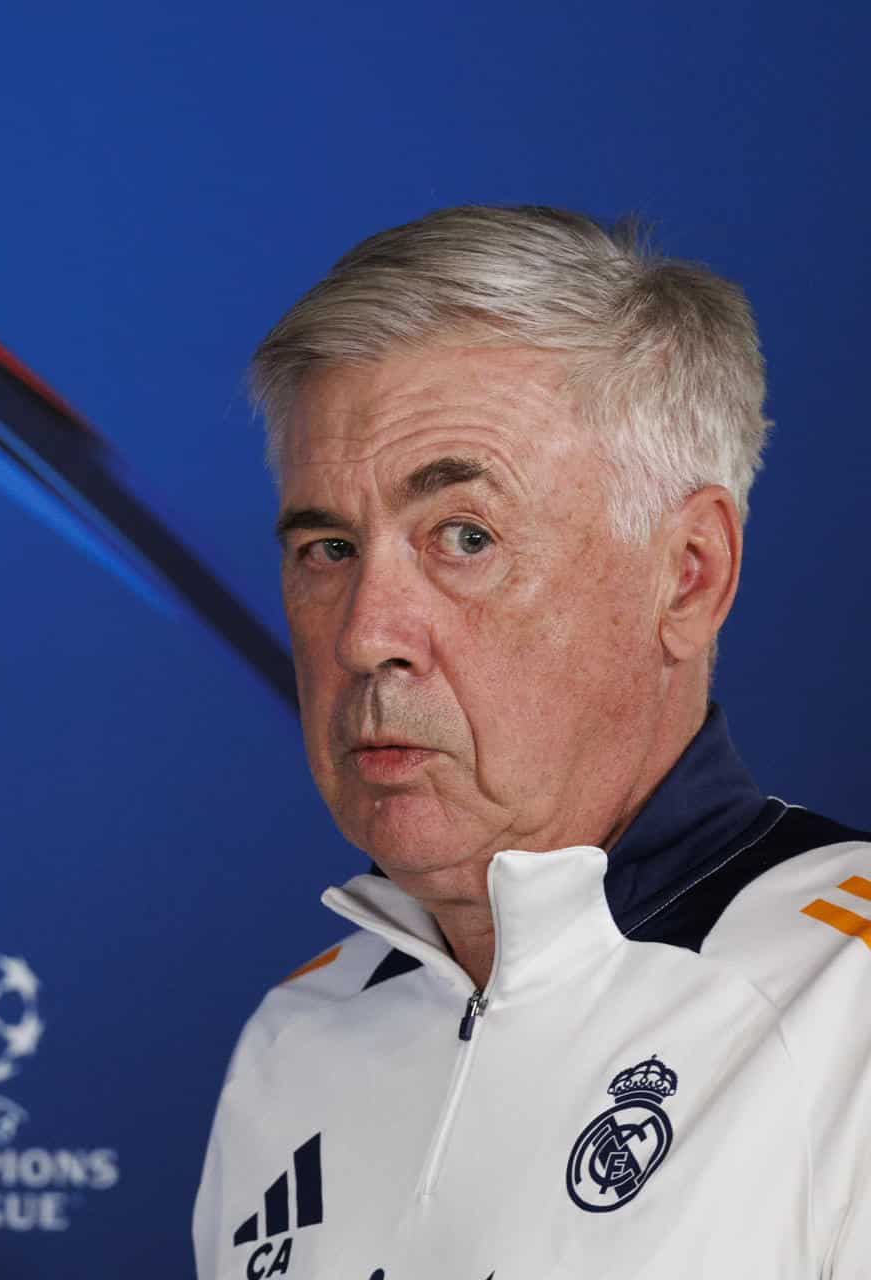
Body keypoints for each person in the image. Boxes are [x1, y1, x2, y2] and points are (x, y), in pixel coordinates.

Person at [193, 206, 870, 1280]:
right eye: (328, 547)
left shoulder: (850, 1008)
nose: (368, 634)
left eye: (466, 537)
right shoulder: (296, 1039)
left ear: (688, 574)